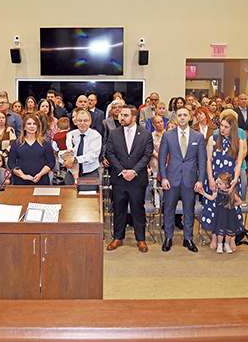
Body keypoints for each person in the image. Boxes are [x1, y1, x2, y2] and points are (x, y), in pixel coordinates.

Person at [105, 106, 154, 253]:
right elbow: (110, 153)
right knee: (118, 208)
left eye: (125, 115)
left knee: (137, 209)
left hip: (137, 179)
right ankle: (117, 238)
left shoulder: (145, 134)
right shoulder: (114, 133)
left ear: (133, 117)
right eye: (121, 115)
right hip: (119, 178)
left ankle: (141, 239)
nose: (122, 118)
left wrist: (133, 171)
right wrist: (122, 171)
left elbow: (147, 155)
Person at [159, 107, 207, 253]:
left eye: (185, 115)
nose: (182, 117)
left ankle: (188, 238)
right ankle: (168, 238)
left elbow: (202, 160)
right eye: (179, 115)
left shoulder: (198, 136)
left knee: (189, 210)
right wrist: (164, 178)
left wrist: (200, 180)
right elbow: (162, 158)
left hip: (190, 180)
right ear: (176, 117)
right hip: (171, 179)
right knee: (168, 210)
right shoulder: (167, 135)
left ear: (189, 117)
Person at [202, 111, 246, 253]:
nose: (223, 129)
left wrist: (235, 179)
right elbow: (208, 160)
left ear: (232, 128)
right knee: (214, 207)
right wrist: (210, 178)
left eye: (226, 127)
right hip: (215, 178)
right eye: (221, 126)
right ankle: (215, 236)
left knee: (230, 208)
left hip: (230, 179)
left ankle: (230, 237)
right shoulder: (213, 139)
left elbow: (239, 162)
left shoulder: (239, 142)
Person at [197, 172, 242, 254]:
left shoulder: (231, 192)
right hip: (220, 214)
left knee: (229, 231)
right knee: (220, 230)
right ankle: (220, 245)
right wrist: (203, 193)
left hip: (230, 214)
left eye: (220, 183)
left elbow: (239, 201)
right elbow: (212, 198)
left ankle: (227, 245)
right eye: (217, 183)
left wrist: (231, 205)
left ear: (227, 185)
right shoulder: (217, 190)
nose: (218, 185)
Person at [8, 114, 55, 185]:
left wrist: (40, 174)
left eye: (34, 124)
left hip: (41, 181)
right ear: (24, 127)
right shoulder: (17, 143)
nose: (32, 126)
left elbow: (51, 163)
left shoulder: (45, 143)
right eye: (29, 124)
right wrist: (22, 175)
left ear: (38, 127)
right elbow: (11, 163)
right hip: (21, 182)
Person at [60, 110, 102, 185]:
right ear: (75, 121)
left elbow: (92, 156)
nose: (82, 123)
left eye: (85, 121)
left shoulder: (96, 136)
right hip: (71, 173)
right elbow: (61, 151)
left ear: (90, 121)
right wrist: (65, 159)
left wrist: (75, 160)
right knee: (69, 195)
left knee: (90, 196)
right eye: (80, 120)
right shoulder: (70, 134)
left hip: (90, 173)